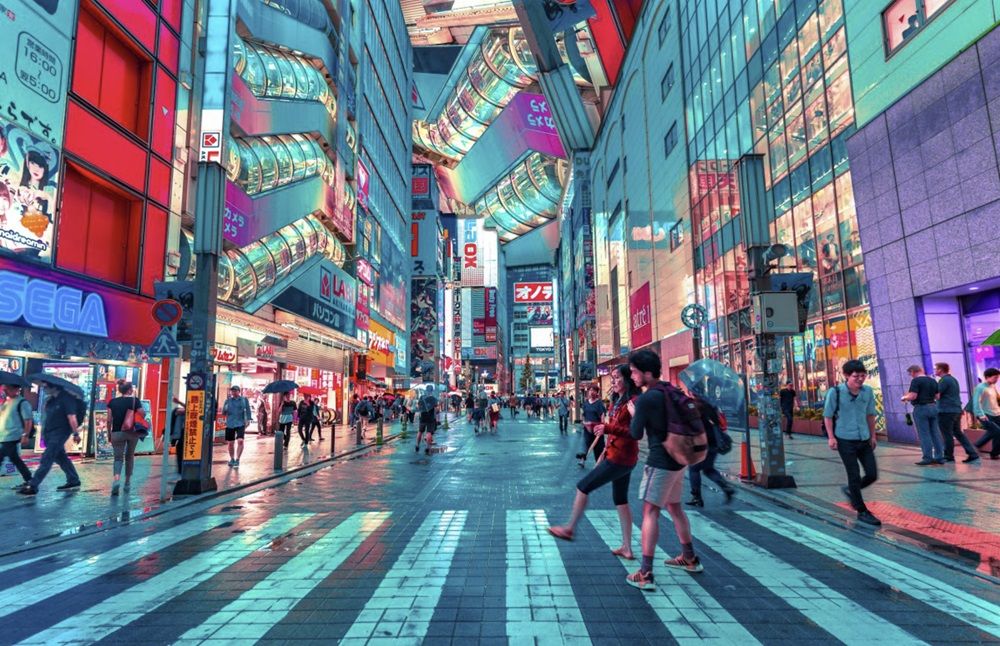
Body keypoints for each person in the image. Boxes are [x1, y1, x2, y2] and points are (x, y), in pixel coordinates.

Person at [626, 349, 703, 591]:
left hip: (660, 462)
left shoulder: (648, 398)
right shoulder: (670, 389)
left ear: (648, 373)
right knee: (675, 507)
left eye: (635, 372)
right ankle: (689, 557)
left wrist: (634, 413)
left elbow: (636, 433)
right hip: (679, 459)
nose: (633, 377)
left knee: (650, 512)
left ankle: (646, 573)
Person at [548, 365, 640, 559]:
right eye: (612, 378)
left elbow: (635, 432)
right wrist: (605, 445)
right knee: (620, 500)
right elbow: (615, 429)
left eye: (616, 378)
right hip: (621, 455)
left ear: (628, 380)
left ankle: (570, 528)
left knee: (583, 486)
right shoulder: (619, 400)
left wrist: (607, 429)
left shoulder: (633, 402)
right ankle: (627, 547)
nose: (613, 381)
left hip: (621, 458)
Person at [824, 359, 881, 526]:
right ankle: (862, 510)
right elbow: (827, 416)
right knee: (854, 474)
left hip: (864, 438)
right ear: (846, 376)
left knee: (872, 474)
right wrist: (831, 437)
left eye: (863, 376)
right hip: (844, 439)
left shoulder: (868, 392)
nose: (860, 379)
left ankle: (851, 491)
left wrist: (873, 436)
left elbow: (870, 415)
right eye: (856, 376)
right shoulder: (836, 392)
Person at [18, 383, 83, 495]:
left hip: (60, 433)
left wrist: (76, 433)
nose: (44, 389)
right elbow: (47, 418)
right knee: (60, 457)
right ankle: (73, 479)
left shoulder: (66, 399)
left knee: (47, 458)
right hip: (50, 433)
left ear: (54, 387)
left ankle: (33, 485)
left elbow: (72, 417)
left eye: (46, 387)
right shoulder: (51, 400)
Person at [686, 395, 735, 507]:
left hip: (701, 443)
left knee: (694, 469)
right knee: (708, 469)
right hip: (714, 443)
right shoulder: (712, 408)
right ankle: (726, 487)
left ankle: (696, 497)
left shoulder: (695, 408)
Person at [934, 363, 978, 463]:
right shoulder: (953, 379)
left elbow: (937, 395)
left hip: (946, 411)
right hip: (956, 410)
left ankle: (948, 456)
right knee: (958, 433)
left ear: (940, 370)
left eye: (936, 369)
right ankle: (972, 453)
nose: (934, 370)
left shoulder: (944, 380)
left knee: (947, 434)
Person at [107, 381, 145, 494]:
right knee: (130, 457)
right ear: (130, 390)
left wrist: (109, 433)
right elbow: (142, 414)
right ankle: (127, 483)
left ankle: (116, 480)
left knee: (118, 458)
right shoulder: (135, 400)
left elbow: (109, 420)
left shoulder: (112, 402)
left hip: (117, 432)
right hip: (132, 431)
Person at [902, 364, 944, 465]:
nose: (911, 376)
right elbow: (938, 396)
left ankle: (927, 458)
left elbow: (913, 395)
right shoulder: (932, 380)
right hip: (933, 407)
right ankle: (939, 457)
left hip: (921, 408)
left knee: (924, 433)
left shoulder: (916, 381)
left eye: (910, 373)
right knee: (935, 433)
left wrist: (904, 398)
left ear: (913, 372)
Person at [0, 381, 33, 487]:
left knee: (4, 457)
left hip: (12, 435)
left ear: (16, 389)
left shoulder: (22, 403)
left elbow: (28, 420)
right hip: (3, 435)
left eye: (7, 389)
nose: (5, 391)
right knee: (15, 459)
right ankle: (29, 479)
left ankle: (30, 480)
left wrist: (26, 435)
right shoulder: (6, 402)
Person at [972, 368, 1000, 459]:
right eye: (995, 377)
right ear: (987, 377)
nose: (997, 379)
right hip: (986, 414)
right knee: (996, 431)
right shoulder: (980, 387)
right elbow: (976, 402)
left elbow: (996, 400)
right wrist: (981, 414)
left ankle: (995, 453)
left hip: (997, 413)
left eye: (998, 377)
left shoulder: (992, 386)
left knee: (996, 433)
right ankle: (976, 445)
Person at [222, 385, 252, 466]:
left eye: (235, 390)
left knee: (240, 441)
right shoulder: (227, 401)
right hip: (230, 423)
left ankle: (238, 459)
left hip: (240, 423)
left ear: (239, 391)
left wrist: (248, 419)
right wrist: (226, 407)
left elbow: (248, 410)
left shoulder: (244, 400)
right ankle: (232, 458)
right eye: (232, 391)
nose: (233, 392)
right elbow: (223, 413)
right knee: (231, 443)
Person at [579, 385, 606, 466]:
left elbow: (602, 416)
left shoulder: (599, 403)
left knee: (598, 448)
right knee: (585, 444)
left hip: (597, 429)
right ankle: (582, 460)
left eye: (594, 390)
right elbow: (583, 414)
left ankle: (600, 464)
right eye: (590, 390)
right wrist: (583, 422)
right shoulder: (586, 403)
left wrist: (602, 427)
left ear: (597, 392)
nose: (591, 392)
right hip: (587, 428)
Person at [169, 399, 186, 476]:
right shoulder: (177, 412)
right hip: (181, 435)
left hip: (184, 435)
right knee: (180, 451)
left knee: (181, 451)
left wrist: (179, 402)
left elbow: (189, 408)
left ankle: (181, 469)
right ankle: (181, 469)